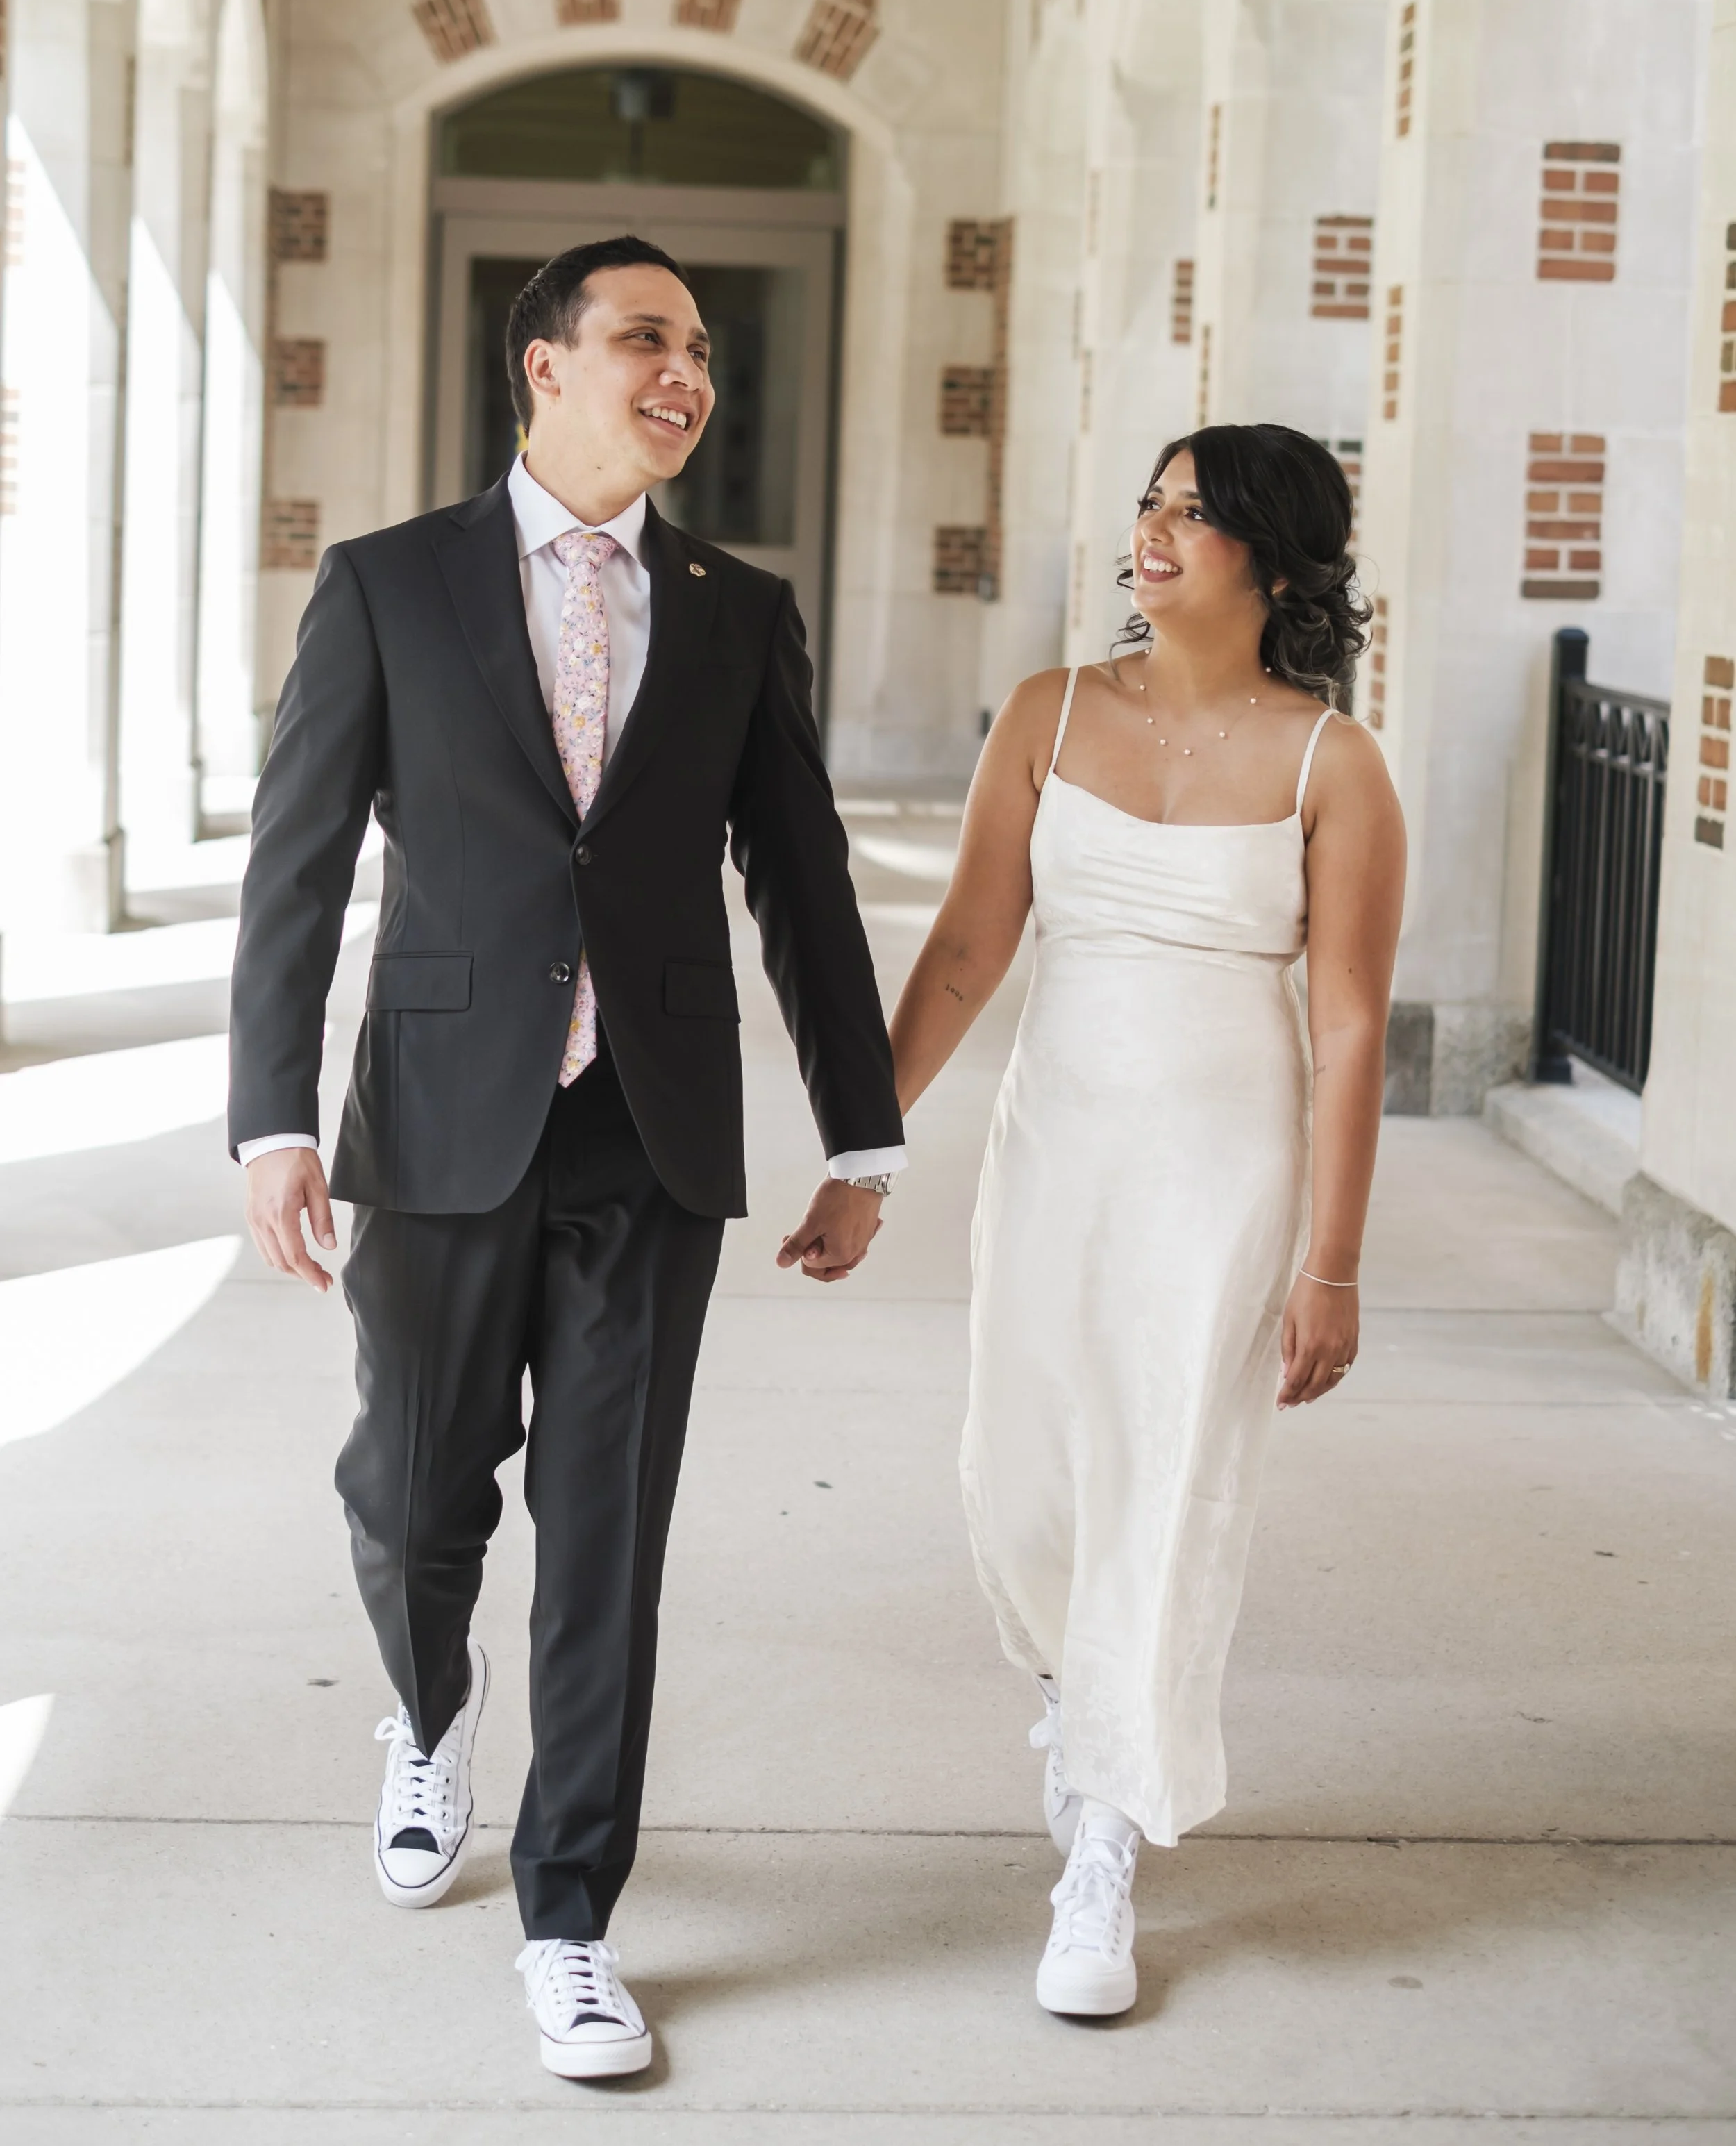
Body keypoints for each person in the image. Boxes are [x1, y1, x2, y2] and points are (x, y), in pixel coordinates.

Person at [229, 234, 904, 2081]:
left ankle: (571, 1916)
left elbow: (803, 880)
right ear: (543, 364)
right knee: (416, 1485)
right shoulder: (388, 585)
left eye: (696, 344)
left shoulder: (737, 605)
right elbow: (297, 864)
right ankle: (429, 1708)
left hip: (650, 1126)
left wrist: (862, 1132)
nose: (682, 369)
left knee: (605, 1536)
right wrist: (273, 1116)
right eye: (642, 338)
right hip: (442, 1119)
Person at [887, 423, 1405, 2019]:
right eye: (1150, 503)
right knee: (1022, 1477)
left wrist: (1331, 1260)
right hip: (1059, 1147)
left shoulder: (1333, 764)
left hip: (1224, 1170)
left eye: (1196, 512)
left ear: (1271, 555)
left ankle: (1101, 1846)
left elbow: (1348, 1030)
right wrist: (863, 1144)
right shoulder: (1046, 714)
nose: (1154, 531)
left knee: (1167, 1483)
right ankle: (1079, 1694)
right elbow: (971, 942)